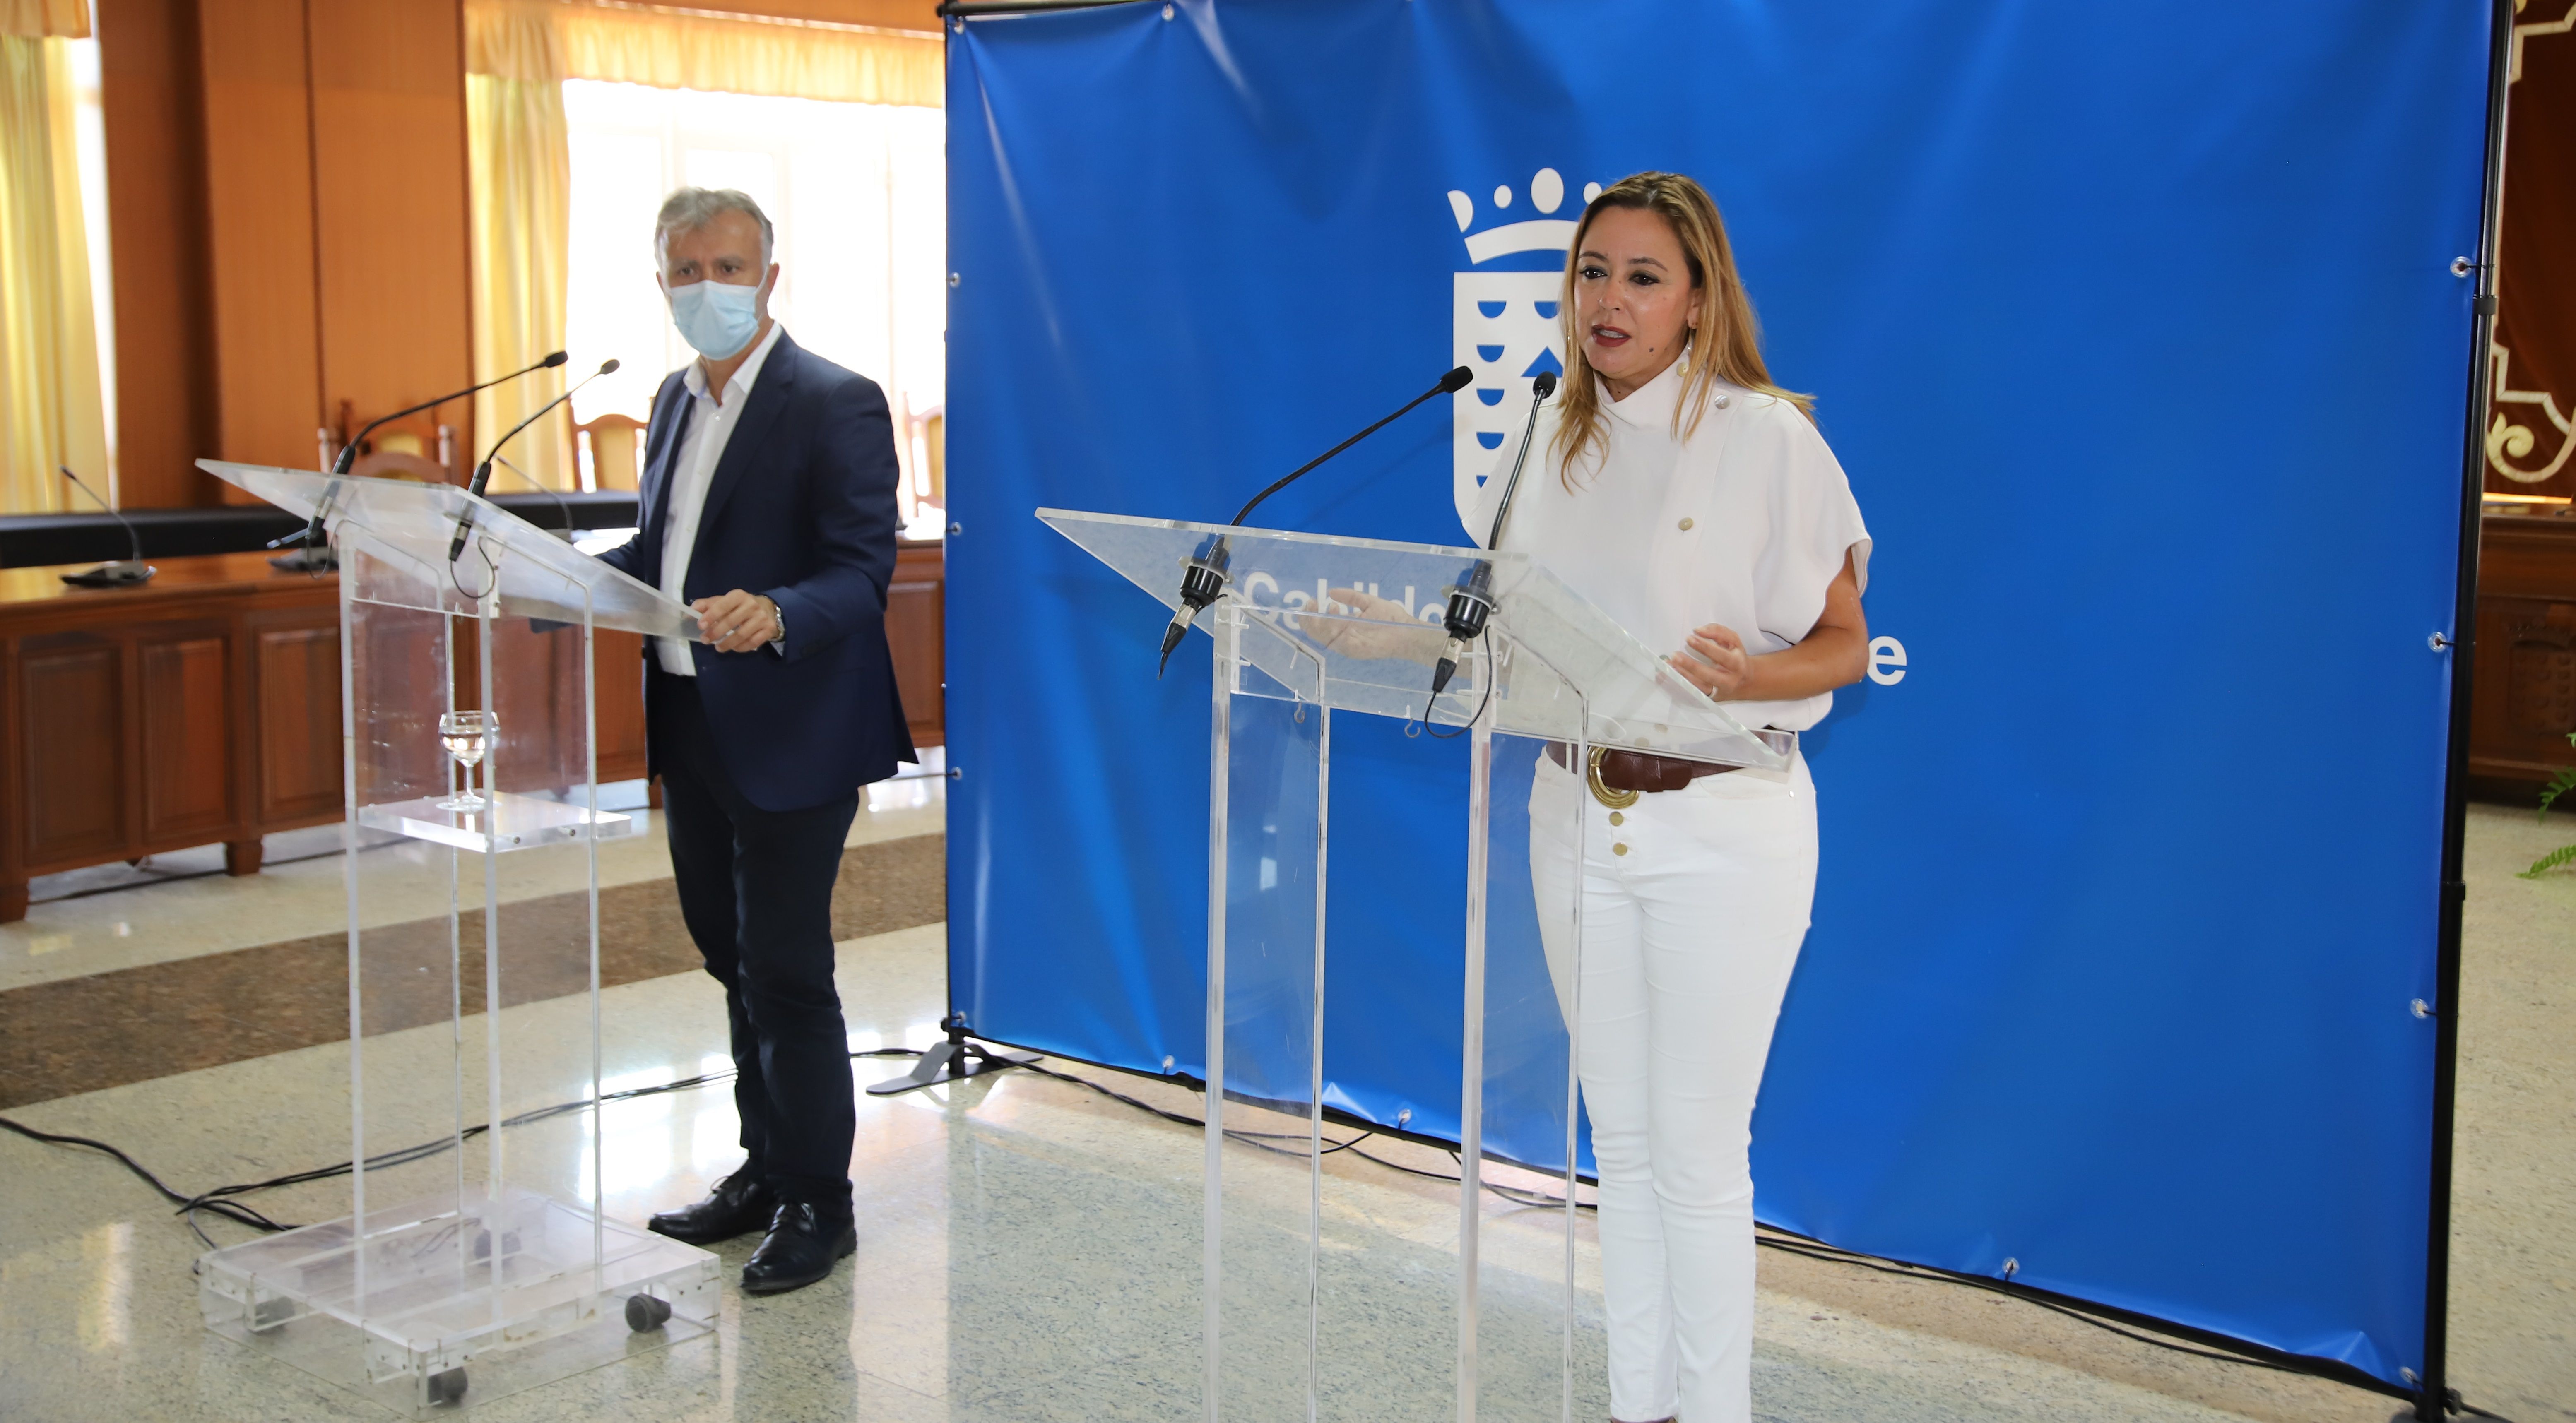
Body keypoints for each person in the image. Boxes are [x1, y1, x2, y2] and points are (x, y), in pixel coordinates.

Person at [1462, 172, 1871, 1423]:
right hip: (1571, 813)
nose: (1609, 300)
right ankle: (1638, 1404)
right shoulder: (1545, 436)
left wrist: (1755, 670)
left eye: (1643, 277)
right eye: (1592, 273)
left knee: (1696, 1154)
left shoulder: (1766, 435)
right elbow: (1512, 637)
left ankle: (1717, 1411)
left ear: (1699, 301)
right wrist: (1376, 636)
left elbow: (1846, 643)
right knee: (1623, 1147)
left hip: (1723, 826)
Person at [594, 187, 913, 1296]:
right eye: (689, 272)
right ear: (663, 284)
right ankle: (764, 1170)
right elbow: (661, 555)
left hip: (792, 722)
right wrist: (554, 579)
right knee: (727, 957)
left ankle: (822, 1202)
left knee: (785, 970)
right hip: (689, 718)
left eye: (729, 269)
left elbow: (861, 568)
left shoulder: (835, 401)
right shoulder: (670, 402)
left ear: (769, 278)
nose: (709, 290)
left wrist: (780, 609)